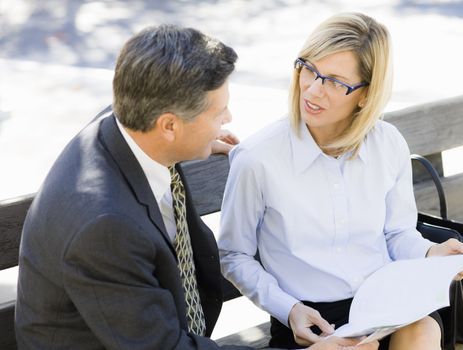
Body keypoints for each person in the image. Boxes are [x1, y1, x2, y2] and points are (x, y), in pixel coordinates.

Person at [15, 24, 378, 350]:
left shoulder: (134, 123)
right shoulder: (104, 228)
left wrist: (196, 139)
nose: (228, 120)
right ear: (169, 124)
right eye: (218, 112)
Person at [218, 12, 463, 350]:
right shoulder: (257, 158)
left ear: (366, 95)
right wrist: (290, 309)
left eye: (335, 82)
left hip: (387, 301)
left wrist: (431, 253)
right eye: (309, 69)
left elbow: (397, 233)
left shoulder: (388, 143)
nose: (312, 89)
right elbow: (233, 255)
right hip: (311, 319)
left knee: (423, 329)